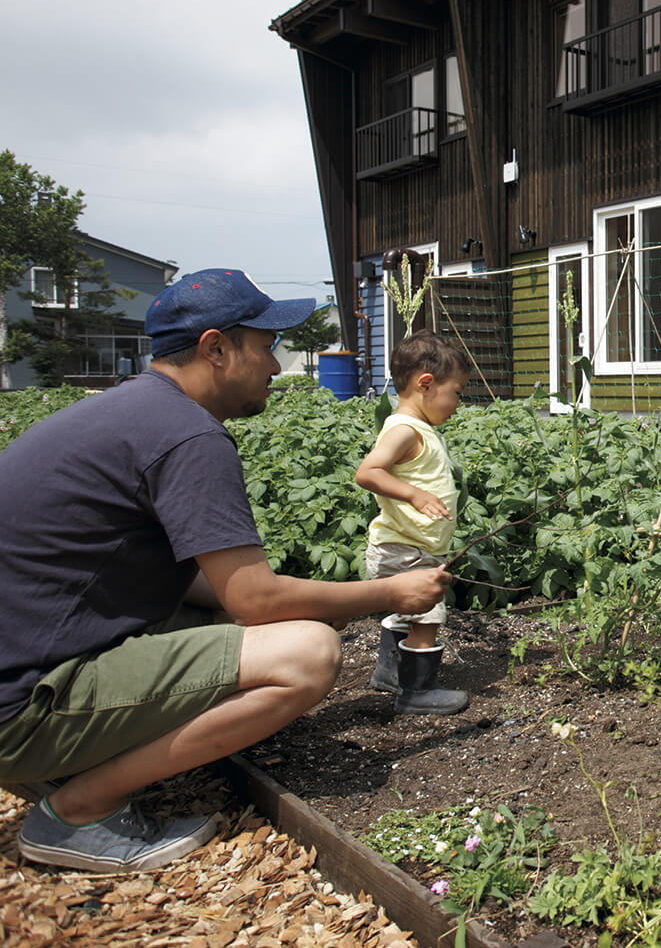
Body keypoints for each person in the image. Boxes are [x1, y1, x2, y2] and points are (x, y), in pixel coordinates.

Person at [0, 268, 451, 873]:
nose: (275, 365)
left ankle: (80, 762)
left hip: (26, 661)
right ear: (217, 348)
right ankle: (79, 808)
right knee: (307, 654)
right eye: (266, 346)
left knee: (241, 615)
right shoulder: (188, 435)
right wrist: (388, 591)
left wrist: (307, 598)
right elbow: (254, 600)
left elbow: (192, 584)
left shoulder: (131, 411)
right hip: (20, 709)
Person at [356, 330, 471, 716]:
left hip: (406, 545)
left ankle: (390, 674)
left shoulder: (415, 428)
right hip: (406, 549)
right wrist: (415, 495)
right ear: (426, 384)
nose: (458, 402)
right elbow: (368, 472)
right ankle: (416, 691)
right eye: (456, 392)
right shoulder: (405, 430)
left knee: (401, 612)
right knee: (426, 614)